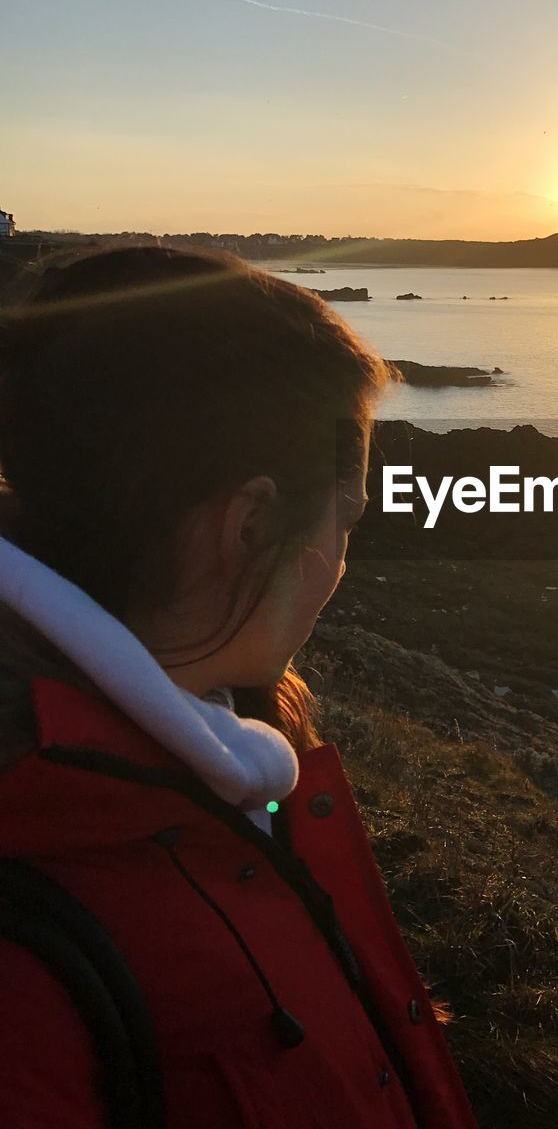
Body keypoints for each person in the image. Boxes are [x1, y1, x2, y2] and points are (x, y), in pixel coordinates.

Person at [0, 245, 479, 1128]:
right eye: (347, 519)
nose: (340, 562)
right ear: (250, 524)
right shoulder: (30, 980)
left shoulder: (220, 754)